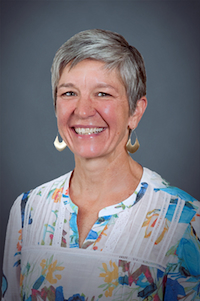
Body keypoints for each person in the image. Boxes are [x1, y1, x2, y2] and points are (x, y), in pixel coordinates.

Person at [2, 29, 200, 301]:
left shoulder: (184, 220)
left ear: (135, 111)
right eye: (69, 93)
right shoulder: (28, 210)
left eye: (103, 94)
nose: (83, 111)